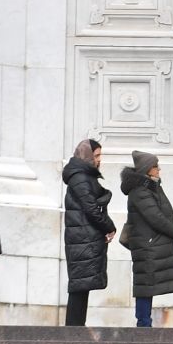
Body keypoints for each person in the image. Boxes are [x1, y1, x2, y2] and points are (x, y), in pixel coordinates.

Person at [120, 151, 173, 328]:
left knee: (146, 284)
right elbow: (155, 217)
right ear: (147, 169)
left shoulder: (152, 187)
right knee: (145, 285)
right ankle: (143, 324)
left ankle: (144, 323)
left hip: (149, 243)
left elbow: (166, 213)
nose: (159, 169)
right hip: (146, 245)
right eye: (156, 166)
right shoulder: (140, 191)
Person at [61, 139, 115, 326]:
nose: (99, 160)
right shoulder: (80, 177)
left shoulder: (83, 175)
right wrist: (108, 226)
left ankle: (75, 330)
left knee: (81, 285)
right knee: (79, 285)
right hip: (81, 238)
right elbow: (91, 208)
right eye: (97, 155)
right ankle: (73, 331)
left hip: (83, 237)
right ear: (87, 156)